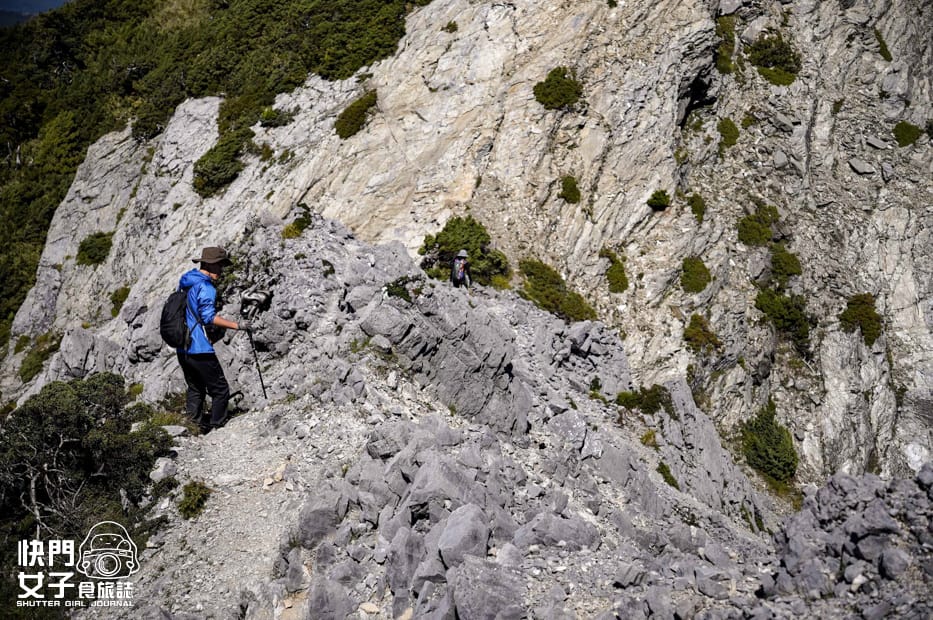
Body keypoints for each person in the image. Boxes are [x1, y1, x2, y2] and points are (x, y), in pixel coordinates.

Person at [175, 247, 250, 434]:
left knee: (196, 388)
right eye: (219, 265)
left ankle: (194, 427)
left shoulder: (186, 281)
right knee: (220, 389)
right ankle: (218, 428)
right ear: (209, 264)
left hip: (182, 347)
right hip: (199, 347)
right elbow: (208, 317)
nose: (222, 270)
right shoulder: (206, 287)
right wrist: (238, 326)